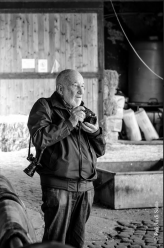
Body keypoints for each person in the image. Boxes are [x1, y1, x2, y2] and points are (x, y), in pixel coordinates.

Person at [27, 69, 106, 248]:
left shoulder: (86, 112)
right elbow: (40, 138)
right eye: (75, 86)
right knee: (55, 243)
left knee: (76, 242)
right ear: (60, 89)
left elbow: (100, 151)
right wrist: (69, 122)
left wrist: (97, 134)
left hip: (86, 188)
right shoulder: (45, 106)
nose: (81, 91)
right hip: (58, 188)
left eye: (83, 86)